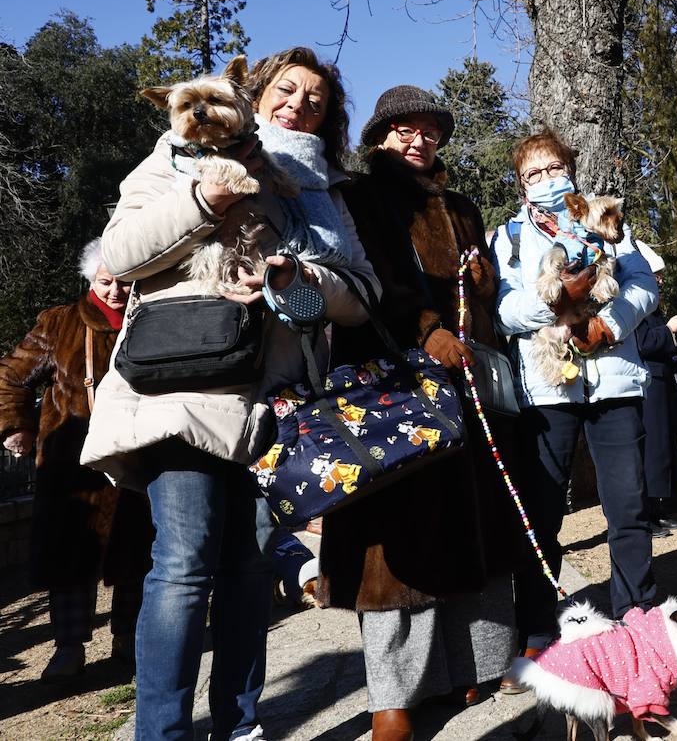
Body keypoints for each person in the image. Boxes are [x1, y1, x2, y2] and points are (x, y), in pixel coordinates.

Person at [81, 46, 378, 740]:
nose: (298, 104)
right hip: (177, 393)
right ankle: (162, 730)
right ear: (255, 93)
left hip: (269, 399)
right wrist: (203, 199)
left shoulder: (314, 189)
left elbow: (360, 294)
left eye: (316, 98)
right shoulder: (163, 164)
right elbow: (119, 255)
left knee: (247, 570)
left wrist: (293, 278)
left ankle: (239, 723)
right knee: (184, 565)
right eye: (286, 89)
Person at [323, 86, 525, 740]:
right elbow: (369, 277)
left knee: (470, 526)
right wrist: (426, 326)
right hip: (385, 383)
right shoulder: (354, 197)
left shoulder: (461, 207)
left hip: (461, 384)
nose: (418, 141)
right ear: (380, 138)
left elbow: (484, 290)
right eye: (404, 132)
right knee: (393, 547)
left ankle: (474, 664)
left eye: (430, 133)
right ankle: (393, 696)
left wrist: (479, 284)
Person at [491, 128, 660, 678]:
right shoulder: (509, 237)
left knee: (627, 504)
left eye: (552, 169)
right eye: (532, 175)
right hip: (548, 388)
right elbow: (504, 310)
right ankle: (538, 624)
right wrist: (556, 303)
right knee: (541, 508)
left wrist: (607, 327)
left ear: (570, 170)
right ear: (520, 185)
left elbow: (643, 288)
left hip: (612, 382)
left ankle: (637, 615)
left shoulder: (606, 224)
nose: (545, 181)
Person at [0, 240, 153, 683]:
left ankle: (128, 639)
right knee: (71, 559)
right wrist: (17, 427)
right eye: (106, 282)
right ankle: (68, 648)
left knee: (137, 555)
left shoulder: (152, 319)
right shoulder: (60, 323)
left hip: (139, 457)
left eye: (125, 282)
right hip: (74, 466)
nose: (116, 292)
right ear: (90, 279)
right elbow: (9, 376)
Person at [633, 241, 677, 536]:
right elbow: (643, 343)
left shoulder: (653, 307)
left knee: (662, 448)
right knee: (651, 450)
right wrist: (668, 331)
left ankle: (658, 509)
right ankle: (646, 513)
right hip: (648, 382)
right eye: (655, 275)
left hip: (660, 382)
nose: (660, 280)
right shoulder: (636, 307)